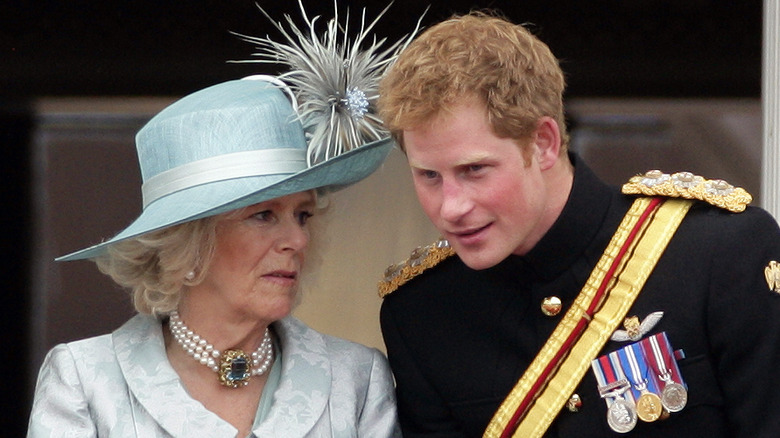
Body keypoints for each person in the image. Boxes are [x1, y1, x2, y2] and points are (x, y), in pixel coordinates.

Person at [377, 11, 780, 438]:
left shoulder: (721, 254)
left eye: (474, 169)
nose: (451, 207)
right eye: (428, 176)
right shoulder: (422, 312)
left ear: (544, 142)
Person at [28, 4, 415, 435]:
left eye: (302, 215)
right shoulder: (85, 382)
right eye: (264, 215)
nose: (297, 240)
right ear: (186, 247)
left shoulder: (356, 381)